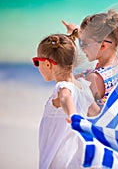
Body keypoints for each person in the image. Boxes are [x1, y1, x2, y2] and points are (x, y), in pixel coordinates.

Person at [62, 10, 118, 131]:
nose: (82, 48)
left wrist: (70, 81)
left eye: (84, 43)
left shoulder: (94, 79)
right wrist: (74, 32)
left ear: (103, 46)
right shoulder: (116, 64)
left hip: (106, 139)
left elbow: (93, 116)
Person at [32, 32, 100, 168]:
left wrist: (72, 114)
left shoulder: (63, 87)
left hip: (57, 161)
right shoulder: (83, 88)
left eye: (36, 62)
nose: (37, 66)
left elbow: (65, 97)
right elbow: (96, 113)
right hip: (76, 159)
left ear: (47, 64)